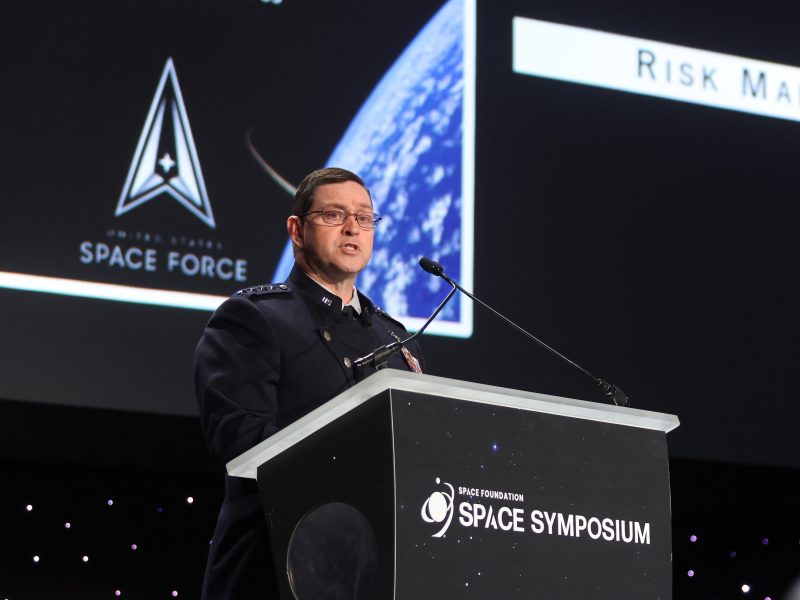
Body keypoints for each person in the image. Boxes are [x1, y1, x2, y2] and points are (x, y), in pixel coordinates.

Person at [194, 167, 425, 599]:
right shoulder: (256, 317)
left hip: (377, 575)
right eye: (334, 215)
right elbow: (239, 440)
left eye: (365, 217)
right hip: (277, 568)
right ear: (297, 230)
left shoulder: (396, 340)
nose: (353, 227)